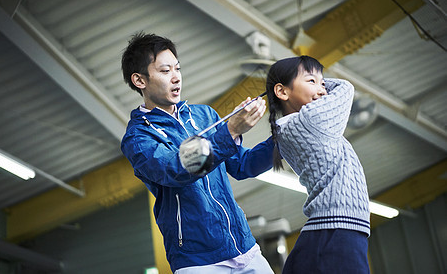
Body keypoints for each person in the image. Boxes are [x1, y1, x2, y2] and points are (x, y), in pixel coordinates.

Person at [120, 32, 275, 274]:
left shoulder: (204, 115)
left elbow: (244, 165)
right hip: (197, 263)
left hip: (245, 248)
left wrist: (284, 137)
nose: (176, 78)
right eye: (164, 71)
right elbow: (175, 169)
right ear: (140, 81)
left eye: (177, 69)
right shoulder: (138, 138)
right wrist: (231, 130)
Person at [265, 56, 370, 273]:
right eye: (311, 81)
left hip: (331, 227)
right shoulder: (311, 119)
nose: (322, 90)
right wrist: (324, 83)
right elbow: (346, 88)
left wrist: (312, 81)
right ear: (282, 91)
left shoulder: (289, 128)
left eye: (323, 83)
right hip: (337, 228)